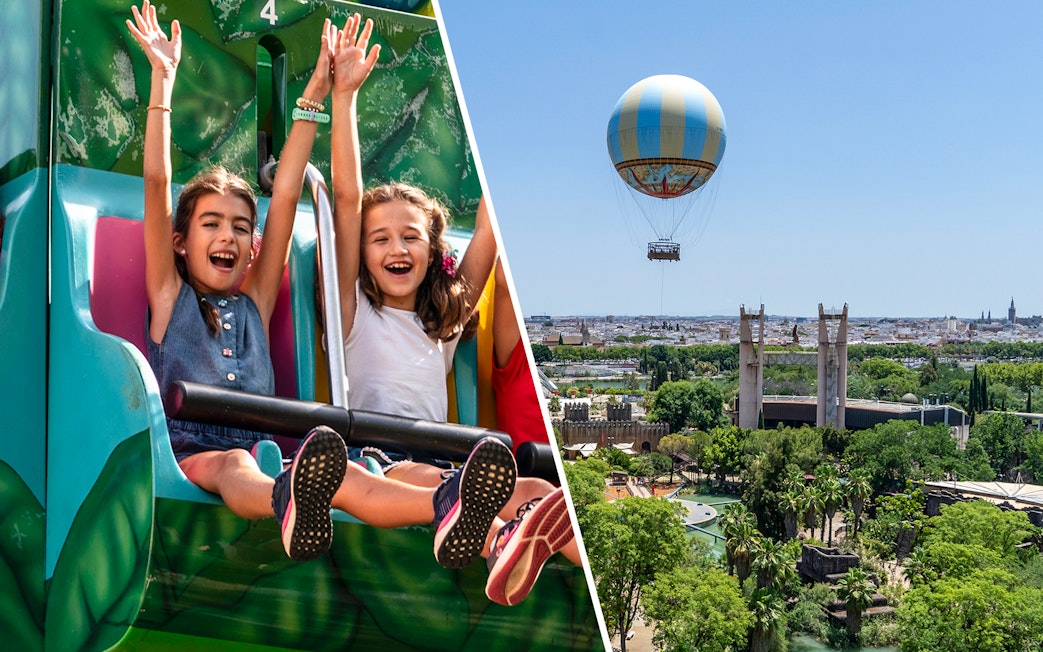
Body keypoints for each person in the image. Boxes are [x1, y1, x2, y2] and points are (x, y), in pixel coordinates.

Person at [127, 1, 513, 568]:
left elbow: (284, 196)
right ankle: (287, 502)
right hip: (198, 451)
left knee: (347, 477)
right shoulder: (169, 296)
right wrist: (163, 80)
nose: (229, 237)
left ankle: (453, 508)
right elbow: (159, 180)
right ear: (181, 241)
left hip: (275, 454)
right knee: (236, 466)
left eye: (240, 227)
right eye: (211, 225)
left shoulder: (254, 301)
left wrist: (313, 95)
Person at [330, 42, 574, 602]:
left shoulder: (441, 320)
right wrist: (344, 96)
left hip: (443, 457)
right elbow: (347, 198)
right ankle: (499, 543)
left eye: (411, 236)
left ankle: (569, 558)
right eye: (381, 238)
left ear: (432, 247)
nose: (397, 247)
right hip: (379, 459)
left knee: (536, 488)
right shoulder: (354, 314)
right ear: (362, 253)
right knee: (447, 487)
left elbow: (489, 229)